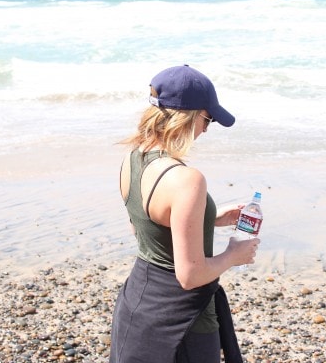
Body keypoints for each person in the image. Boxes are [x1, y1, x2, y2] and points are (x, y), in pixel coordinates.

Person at [109, 65, 260, 363]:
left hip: (138, 305)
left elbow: (143, 226)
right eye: (208, 118)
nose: (207, 128)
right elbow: (190, 276)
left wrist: (211, 218)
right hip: (184, 320)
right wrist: (234, 255)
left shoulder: (132, 159)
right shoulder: (187, 179)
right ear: (188, 116)